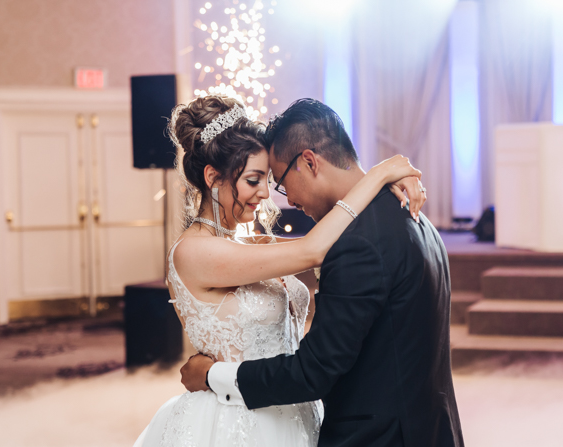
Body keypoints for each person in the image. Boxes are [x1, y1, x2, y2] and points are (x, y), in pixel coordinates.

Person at [133, 95, 427, 447]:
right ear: (213, 177)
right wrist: (378, 176)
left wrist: (387, 188)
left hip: (294, 408)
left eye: (267, 180)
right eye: (253, 180)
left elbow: (334, 243)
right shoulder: (194, 252)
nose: (266, 195)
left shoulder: (251, 243)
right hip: (238, 419)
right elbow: (313, 249)